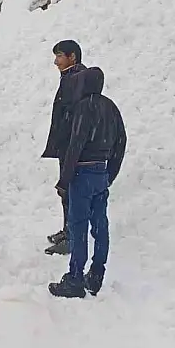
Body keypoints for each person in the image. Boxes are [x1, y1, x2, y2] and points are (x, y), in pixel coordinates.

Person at [48, 67, 126, 298]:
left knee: (78, 226)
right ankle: (96, 275)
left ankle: (74, 279)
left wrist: (65, 179)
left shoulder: (82, 108)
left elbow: (76, 144)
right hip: (101, 172)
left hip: (81, 173)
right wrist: (109, 173)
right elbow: (121, 141)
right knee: (100, 226)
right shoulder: (110, 107)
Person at [41, 40, 87, 255]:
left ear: (72, 57)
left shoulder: (76, 80)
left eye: (60, 56)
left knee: (69, 191)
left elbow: (74, 116)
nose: (56, 61)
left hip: (71, 146)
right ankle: (68, 230)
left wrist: (69, 143)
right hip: (66, 145)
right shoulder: (70, 78)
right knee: (66, 191)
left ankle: (72, 237)